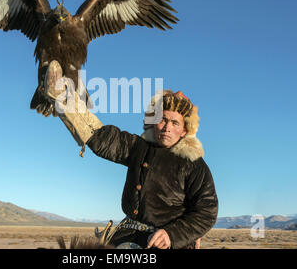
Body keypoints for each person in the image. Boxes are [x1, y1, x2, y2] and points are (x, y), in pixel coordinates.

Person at [45, 60, 218, 249]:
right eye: (163, 120)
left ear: (184, 130)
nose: (167, 127)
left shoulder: (194, 165)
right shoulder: (138, 147)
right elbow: (102, 138)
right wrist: (64, 100)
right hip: (127, 236)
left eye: (175, 123)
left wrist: (173, 235)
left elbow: (206, 211)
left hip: (167, 242)